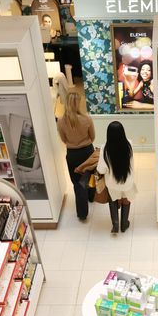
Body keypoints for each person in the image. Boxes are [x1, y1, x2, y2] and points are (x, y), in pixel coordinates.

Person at [57, 88, 96, 221]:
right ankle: (91, 197)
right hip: (87, 151)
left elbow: (63, 139)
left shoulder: (61, 121)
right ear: (78, 103)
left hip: (72, 154)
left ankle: (82, 213)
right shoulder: (86, 119)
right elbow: (93, 137)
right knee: (90, 176)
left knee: (77, 183)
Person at [97, 121, 136, 234]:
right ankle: (124, 224)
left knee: (113, 199)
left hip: (111, 183)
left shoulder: (104, 148)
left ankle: (115, 224)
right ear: (123, 132)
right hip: (127, 181)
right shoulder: (129, 144)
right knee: (126, 199)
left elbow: (101, 169)